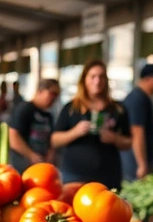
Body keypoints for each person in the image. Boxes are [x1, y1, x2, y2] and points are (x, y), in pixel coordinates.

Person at [51, 60, 132, 188]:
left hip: (108, 176)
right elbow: (55, 140)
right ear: (84, 80)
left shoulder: (118, 108)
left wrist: (115, 139)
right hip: (75, 175)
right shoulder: (71, 108)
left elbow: (129, 142)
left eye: (101, 76)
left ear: (106, 80)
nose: (97, 81)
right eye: (93, 76)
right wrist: (75, 132)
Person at [121, 63, 153, 181]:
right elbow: (137, 132)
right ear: (149, 78)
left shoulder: (144, 98)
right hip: (133, 163)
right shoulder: (138, 99)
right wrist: (142, 165)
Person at [8, 78, 60, 174]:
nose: (54, 98)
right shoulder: (24, 109)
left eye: (57, 95)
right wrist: (31, 155)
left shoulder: (49, 116)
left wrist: (51, 154)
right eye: (52, 93)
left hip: (42, 169)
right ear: (40, 91)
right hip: (23, 169)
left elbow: (52, 139)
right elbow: (13, 137)